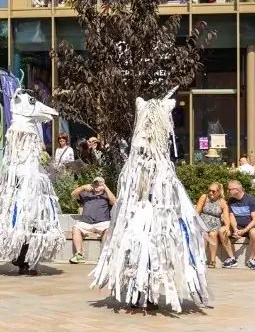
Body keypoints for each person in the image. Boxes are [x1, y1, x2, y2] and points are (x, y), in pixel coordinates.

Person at [90, 95, 210, 313]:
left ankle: (147, 295)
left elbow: (168, 195)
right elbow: (129, 191)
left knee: (152, 254)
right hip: (139, 214)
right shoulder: (136, 165)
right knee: (137, 253)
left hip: (157, 216)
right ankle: (139, 293)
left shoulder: (162, 168)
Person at [0, 87, 65, 277]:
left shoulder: (26, 132)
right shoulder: (18, 130)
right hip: (20, 191)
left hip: (32, 190)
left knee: (32, 224)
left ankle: (27, 261)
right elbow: (13, 163)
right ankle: (23, 260)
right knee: (22, 224)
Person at [69, 177, 116, 264]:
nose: (97, 186)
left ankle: (103, 256)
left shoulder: (106, 195)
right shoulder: (86, 194)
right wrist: (83, 187)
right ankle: (79, 255)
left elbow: (114, 202)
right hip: (86, 222)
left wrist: (106, 188)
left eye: (100, 184)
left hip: (103, 223)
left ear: (104, 185)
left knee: (108, 230)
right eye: (96, 183)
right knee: (76, 228)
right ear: (92, 185)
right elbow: (73, 194)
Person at [195, 182, 235, 269]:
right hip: (203, 222)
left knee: (212, 235)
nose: (210, 193)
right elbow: (197, 211)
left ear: (219, 192)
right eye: (209, 190)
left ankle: (212, 260)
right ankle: (201, 258)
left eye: (213, 191)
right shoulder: (204, 197)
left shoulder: (222, 202)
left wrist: (227, 228)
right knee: (204, 234)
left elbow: (226, 217)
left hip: (215, 224)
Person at [226, 179, 255, 270]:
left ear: (236, 190)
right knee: (222, 231)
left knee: (254, 233)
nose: (228, 191)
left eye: (229, 189)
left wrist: (244, 231)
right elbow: (231, 216)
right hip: (238, 227)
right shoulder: (230, 201)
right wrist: (235, 230)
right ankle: (232, 258)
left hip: (250, 226)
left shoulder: (252, 200)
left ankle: (251, 259)